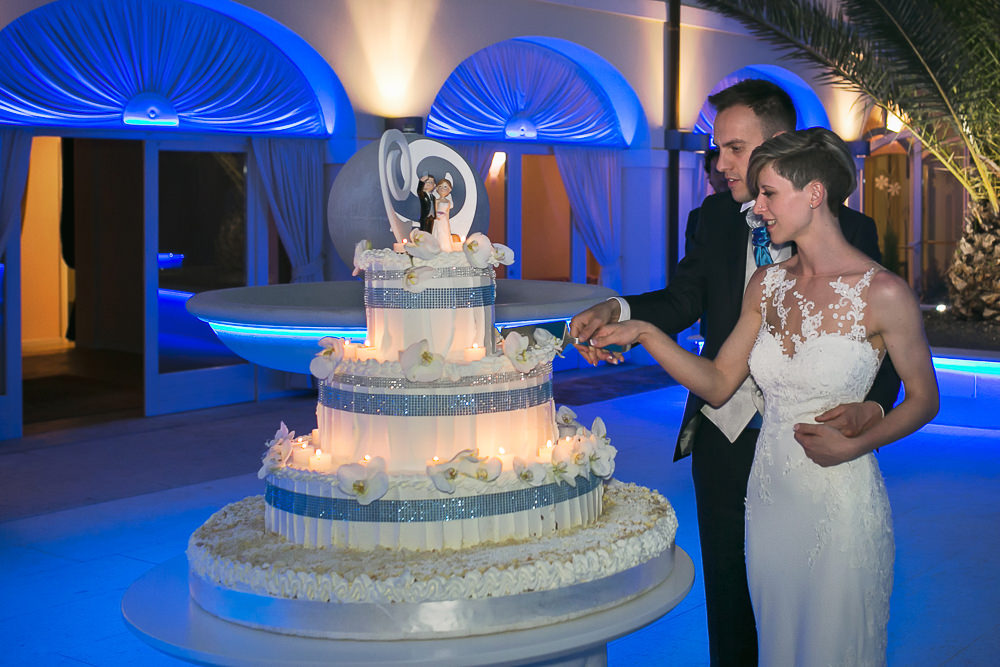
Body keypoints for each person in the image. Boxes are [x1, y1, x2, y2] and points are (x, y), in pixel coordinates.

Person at [569, 79, 901, 666]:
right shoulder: (713, 220)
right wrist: (619, 310)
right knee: (731, 601)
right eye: (716, 149)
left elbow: (885, 354)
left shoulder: (856, 235)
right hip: (727, 436)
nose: (720, 164)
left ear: (781, 146)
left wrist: (871, 408)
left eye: (735, 149)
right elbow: (680, 299)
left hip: (818, 447)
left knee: (817, 606)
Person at [684, 148, 728, 257]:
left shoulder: (750, 213)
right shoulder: (696, 217)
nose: (723, 178)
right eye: (717, 172)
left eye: (727, 172)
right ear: (709, 177)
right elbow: (692, 259)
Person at [432, 177, 454, 250]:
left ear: (449, 190)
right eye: (440, 186)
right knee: (438, 232)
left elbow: (447, 212)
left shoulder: (448, 202)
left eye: (445, 187)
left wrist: (447, 220)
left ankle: (445, 247)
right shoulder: (437, 200)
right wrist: (436, 217)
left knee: (445, 232)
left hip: (444, 220)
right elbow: (434, 210)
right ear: (437, 189)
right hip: (438, 219)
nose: (442, 189)